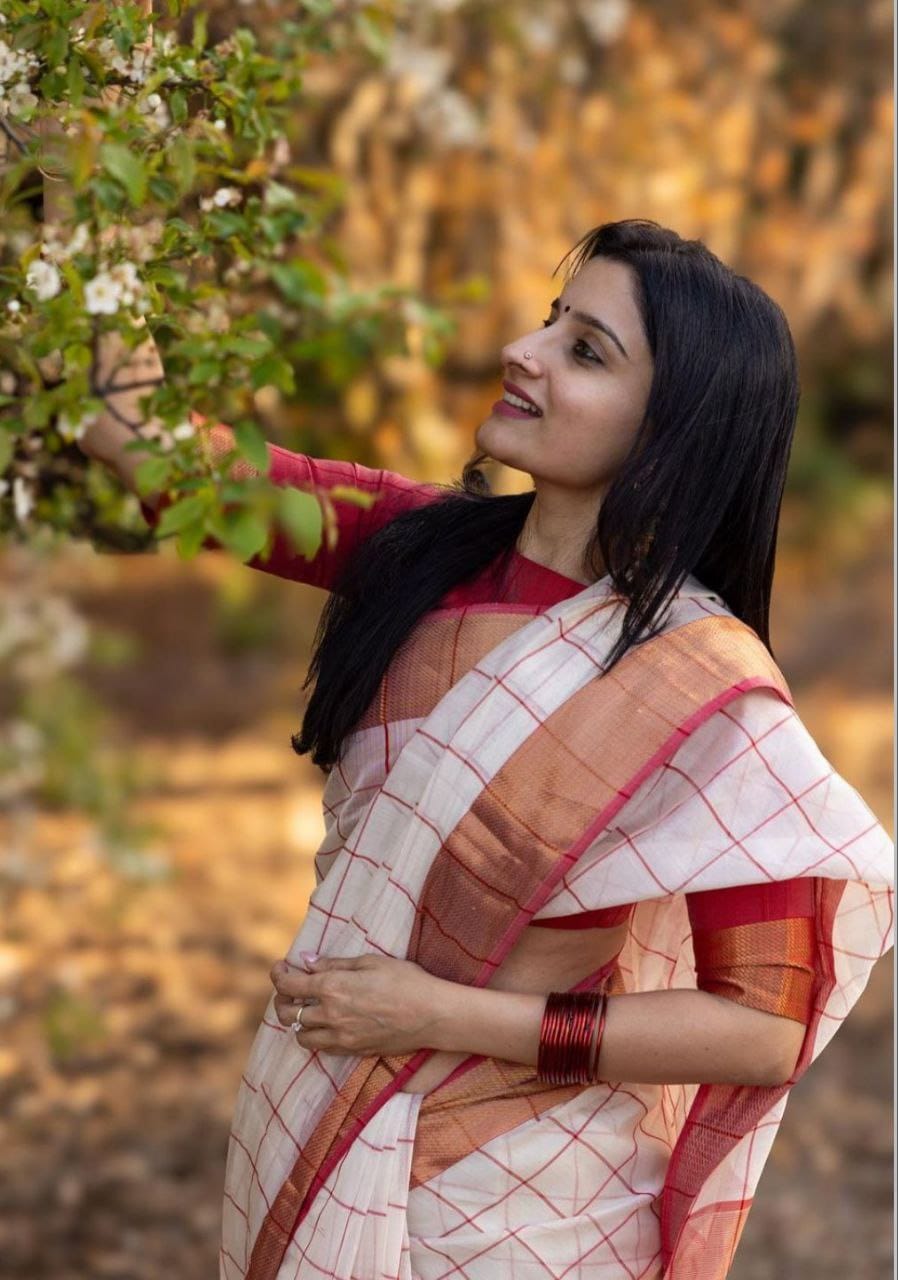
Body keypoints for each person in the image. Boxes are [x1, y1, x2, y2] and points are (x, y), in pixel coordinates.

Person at [75, 219, 893, 1280]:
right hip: (321, 1113)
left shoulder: (698, 684)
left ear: (671, 432)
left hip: (520, 1206)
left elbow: (758, 1029)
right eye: (552, 322)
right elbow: (154, 459)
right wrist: (79, 195)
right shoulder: (415, 547)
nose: (524, 349)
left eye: (585, 351)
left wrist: (438, 1013)